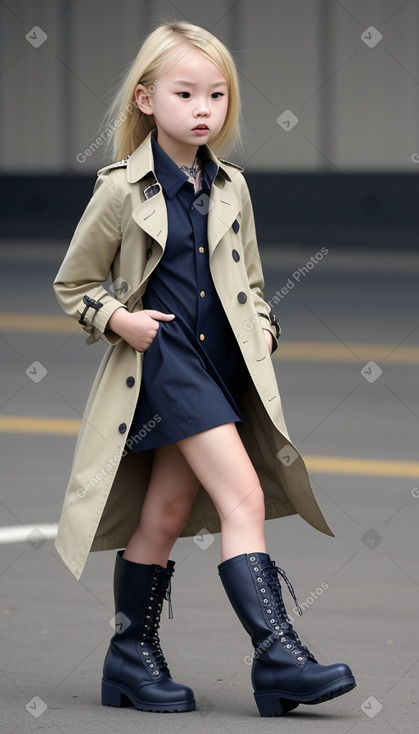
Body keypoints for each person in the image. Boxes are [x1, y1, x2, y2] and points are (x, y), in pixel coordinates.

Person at [53, 20, 356, 717]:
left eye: (216, 95)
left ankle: (128, 659)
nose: (202, 108)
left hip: (221, 365)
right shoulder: (120, 191)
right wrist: (119, 319)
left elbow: (247, 278)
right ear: (144, 99)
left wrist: (266, 325)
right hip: (165, 367)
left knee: (161, 512)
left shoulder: (230, 188)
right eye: (184, 92)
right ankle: (278, 659)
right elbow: (74, 286)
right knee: (242, 499)